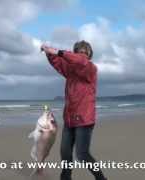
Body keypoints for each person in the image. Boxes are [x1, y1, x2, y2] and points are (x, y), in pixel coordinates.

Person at [41, 40, 107, 180]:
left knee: (82, 155)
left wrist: (58, 52)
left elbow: (80, 61)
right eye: (79, 51)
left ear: (89, 55)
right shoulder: (70, 71)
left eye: (85, 52)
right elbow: (58, 63)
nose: (82, 54)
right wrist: (48, 53)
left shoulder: (90, 68)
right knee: (65, 154)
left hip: (84, 119)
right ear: (75, 52)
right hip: (69, 119)